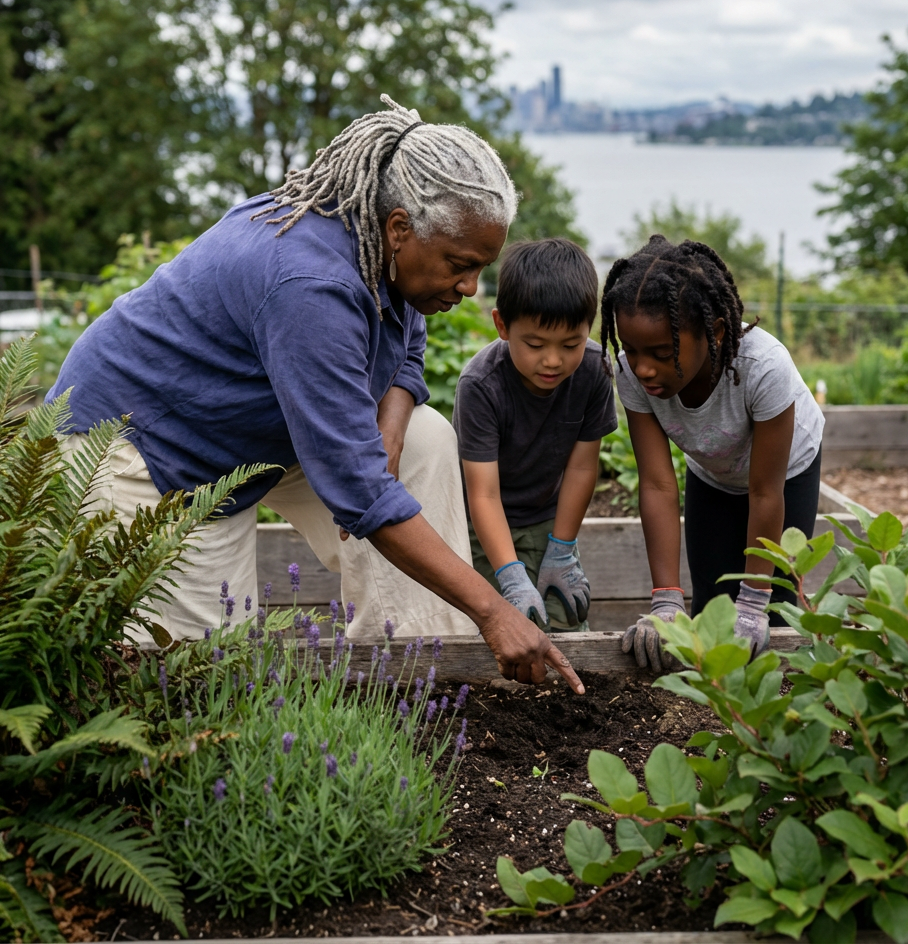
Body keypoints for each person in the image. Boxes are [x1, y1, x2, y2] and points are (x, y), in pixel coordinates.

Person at [48, 96, 585, 693]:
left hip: (259, 426)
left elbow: (406, 339)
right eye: (460, 264)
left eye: (481, 266)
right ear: (400, 228)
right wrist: (494, 610)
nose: (470, 286)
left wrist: (393, 421)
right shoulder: (310, 285)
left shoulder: (378, 243)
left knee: (424, 442)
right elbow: (357, 490)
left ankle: (412, 682)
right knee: (200, 688)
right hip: (152, 451)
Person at [599, 235, 824, 673]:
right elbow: (658, 483)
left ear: (716, 331)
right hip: (711, 472)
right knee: (711, 604)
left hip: (785, 475)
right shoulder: (634, 373)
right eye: (633, 349)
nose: (644, 368)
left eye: (662, 353)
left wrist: (755, 601)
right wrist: (665, 600)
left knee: (769, 612)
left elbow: (764, 492)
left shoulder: (762, 369)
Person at [452, 239, 618, 631]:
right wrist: (510, 575)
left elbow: (581, 468)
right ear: (502, 326)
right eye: (535, 344)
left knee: (566, 621)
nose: (553, 360)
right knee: (504, 628)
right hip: (486, 527)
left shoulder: (593, 370)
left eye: (571, 344)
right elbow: (483, 493)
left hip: (549, 518)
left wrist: (562, 550)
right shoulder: (481, 385)